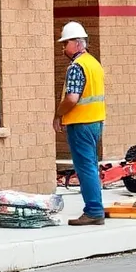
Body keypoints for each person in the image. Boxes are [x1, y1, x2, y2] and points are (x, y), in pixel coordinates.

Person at [53, 21, 107, 225]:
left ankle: (93, 210)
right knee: (91, 166)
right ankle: (96, 208)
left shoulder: (77, 67)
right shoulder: (93, 63)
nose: (62, 48)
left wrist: (58, 115)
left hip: (81, 123)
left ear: (76, 43)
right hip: (95, 121)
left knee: (85, 168)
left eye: (65, 43)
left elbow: (72, 98)